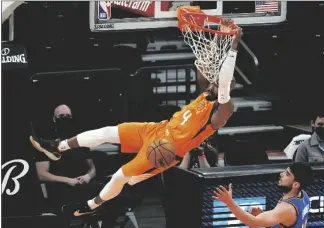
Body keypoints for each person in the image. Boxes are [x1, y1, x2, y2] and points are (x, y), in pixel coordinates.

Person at [30, 28, 244, 216]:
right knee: (107, 132)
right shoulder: (206, 93)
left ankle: (93, 204)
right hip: (158, 129)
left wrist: (233, 46)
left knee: (120, 176)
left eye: (221, 82)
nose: (215, 81)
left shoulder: (223, 109)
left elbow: (224, 82)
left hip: (167, 149)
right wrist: (217, 42)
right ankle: (59, 147)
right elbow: (205, 68)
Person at [213, 162, 314, 228]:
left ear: (296, 184)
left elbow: (252, 223)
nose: (281, 174)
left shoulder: (287, 208)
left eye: (287, 174)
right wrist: (263, 215)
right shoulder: (303, 195)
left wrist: (229, 202)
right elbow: (285, 222)